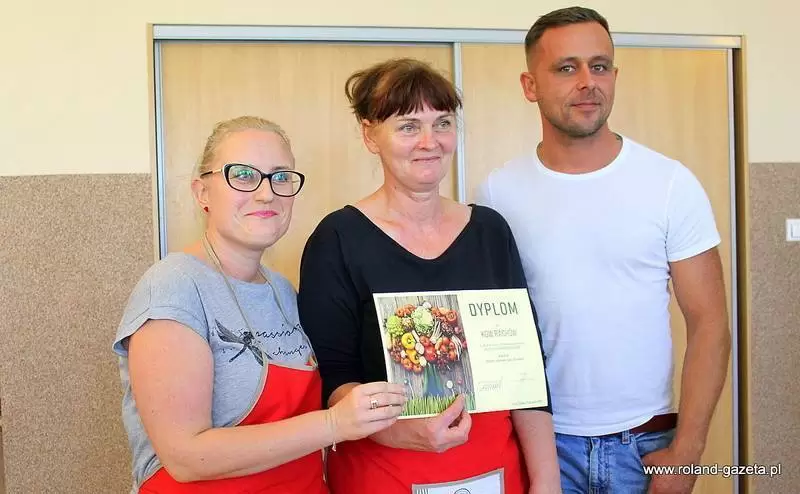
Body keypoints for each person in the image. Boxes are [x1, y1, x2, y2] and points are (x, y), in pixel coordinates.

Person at [475, 7, 731, 494]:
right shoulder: (497, 192)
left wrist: (687, 454)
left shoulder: (670, 184)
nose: (587, 82)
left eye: (599, 66)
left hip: (646, 443)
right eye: (566, 68)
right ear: (530, 85)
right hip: (542, 445)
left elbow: (710, 323)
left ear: (614, 75)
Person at [297, 58, 561, 494]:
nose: (429, 141)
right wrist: (399, 431)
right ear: (370, 135)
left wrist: (547, 480)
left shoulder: (489, 231)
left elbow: (527, 370)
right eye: (408, 126)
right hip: (385, 473)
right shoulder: (338, 239)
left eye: (442, 123)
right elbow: (333, 379)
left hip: (496, 470)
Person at [112, 116, 406, 494]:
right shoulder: (174, 288)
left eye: (280, 177)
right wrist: (334, 424)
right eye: (243, 175)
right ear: (202, 192)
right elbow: (186, 457)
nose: (266, 193)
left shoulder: (281, 290)